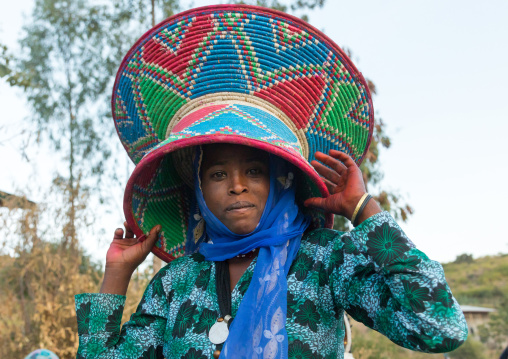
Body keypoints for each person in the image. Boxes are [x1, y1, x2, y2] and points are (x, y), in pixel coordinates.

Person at [75, 4, 468, 359]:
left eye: (254, 170)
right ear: (198, 190)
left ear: (282, 179)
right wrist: (117, 273)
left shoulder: (323, 259)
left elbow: (439, 326)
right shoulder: (177, 283)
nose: (236, 185)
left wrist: (366, 211)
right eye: (216, 174)